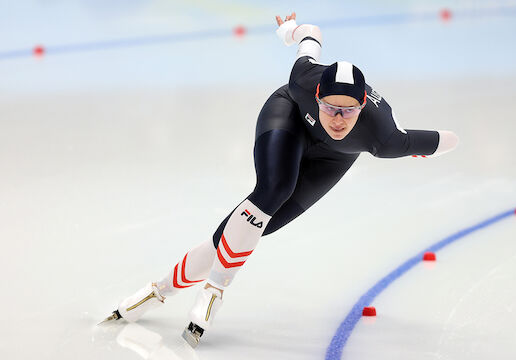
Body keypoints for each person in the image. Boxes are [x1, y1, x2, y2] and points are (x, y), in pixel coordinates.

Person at [100, 12, 459, 348]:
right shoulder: (303, 79)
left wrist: (451, 142)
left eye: (348, 111)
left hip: (334, 160)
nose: (337, 119)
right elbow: (310, 38)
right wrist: (288, 30)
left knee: (254, 227)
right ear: (317, 95)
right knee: (273, 190)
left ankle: (159, 291)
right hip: (288, 118)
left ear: (363, 106)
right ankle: (213, 292)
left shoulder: (384, 137)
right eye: (331, 108)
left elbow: (441, 141)